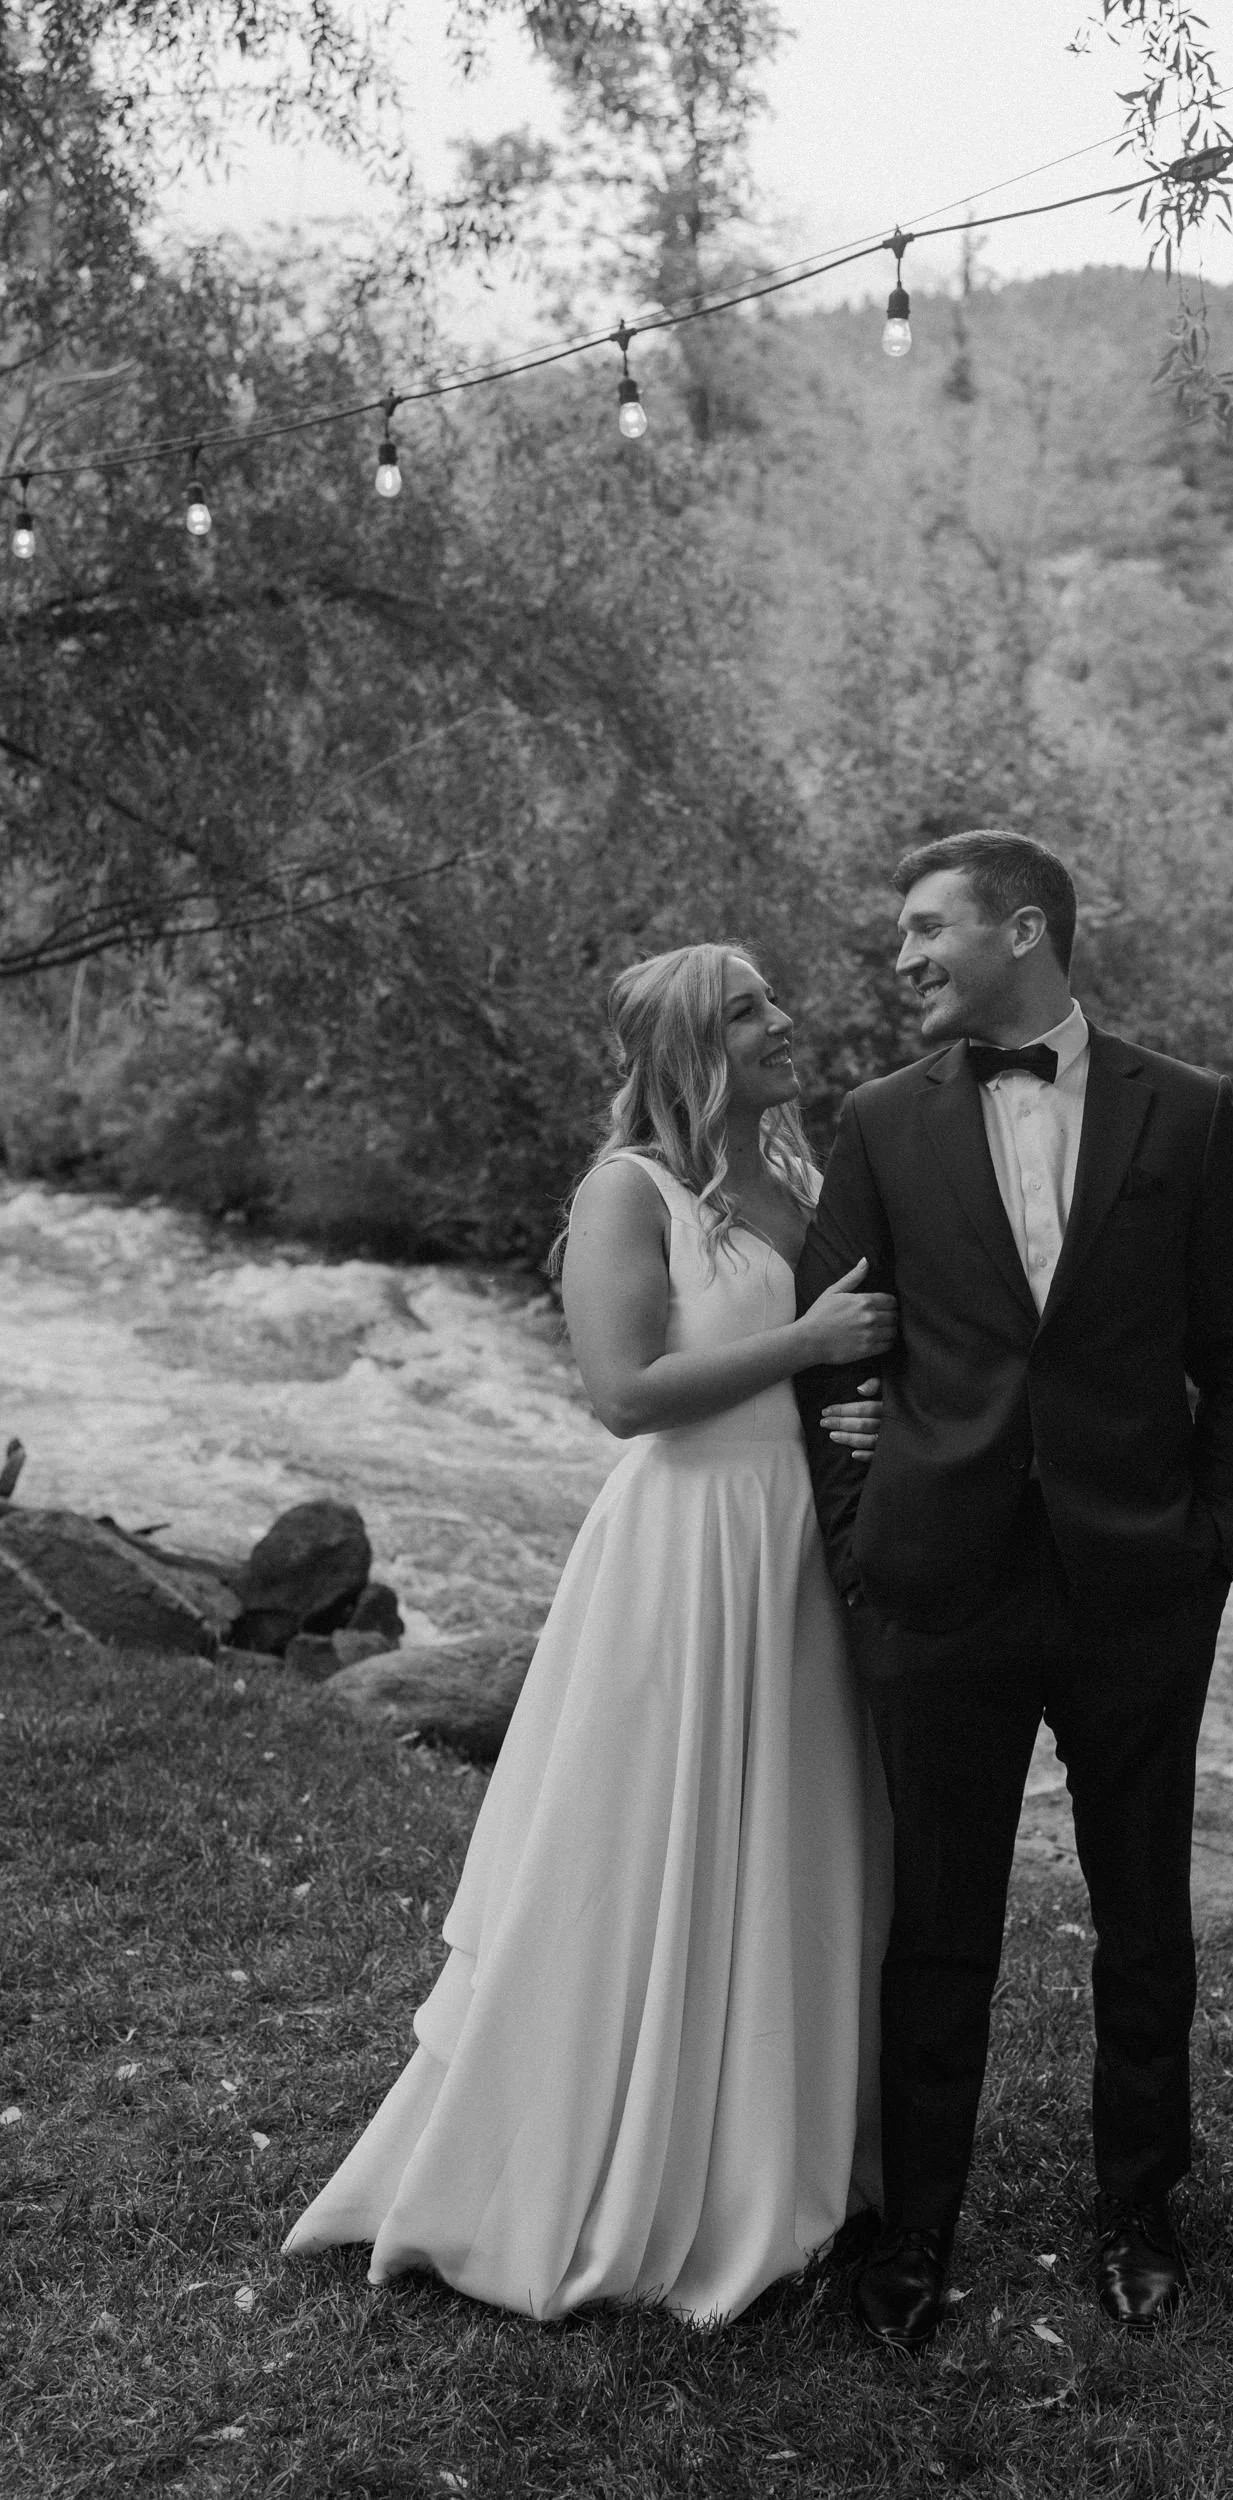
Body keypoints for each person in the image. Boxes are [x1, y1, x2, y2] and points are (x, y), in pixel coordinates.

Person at [284, 943, 896, 2323]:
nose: (783, 1020)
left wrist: (860, 1403)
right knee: (647, 1839)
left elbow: (838, 1362)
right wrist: (810, 1347)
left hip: (800, 1543)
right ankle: (587, 2159)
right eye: (748, 1010)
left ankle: (766, 2150)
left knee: (785, 1835)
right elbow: (624, 1395)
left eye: (770, 999)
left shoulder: (795, 1180)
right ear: (691, 1047)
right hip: (687, 1547)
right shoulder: (630, 1190)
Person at [793, 829, 1233, 2347]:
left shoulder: (1189, 1111)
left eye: (926, 929)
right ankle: (912, 2231)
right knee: (937, 1924)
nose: (903, 960)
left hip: (1140, 1578)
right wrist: (862, 1530)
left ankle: (1140, 2212)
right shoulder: (879, 1122)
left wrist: (1216, 1534)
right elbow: (831, 1345)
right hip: (939, 1579)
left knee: (1145, 1919)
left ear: (1021, 930)